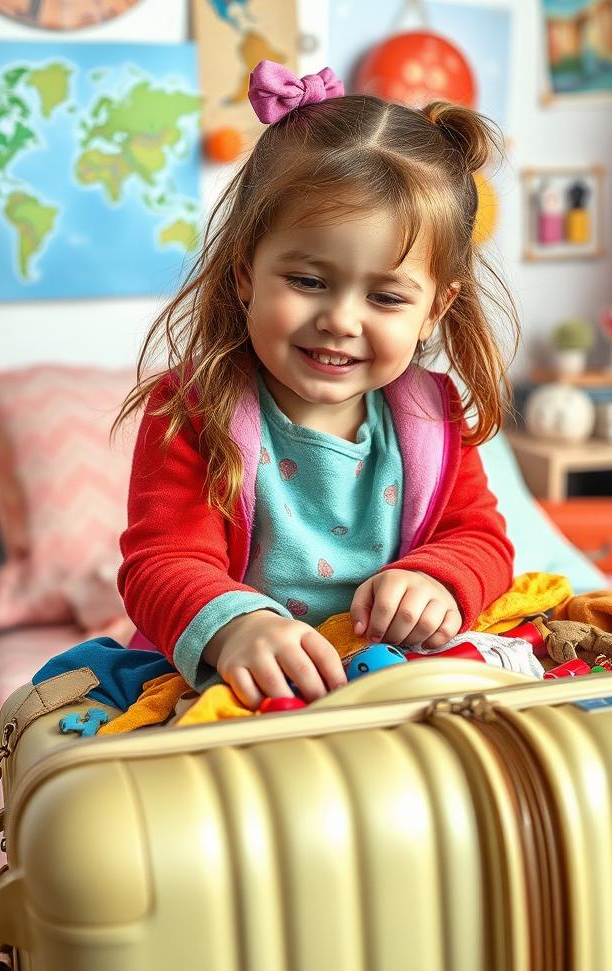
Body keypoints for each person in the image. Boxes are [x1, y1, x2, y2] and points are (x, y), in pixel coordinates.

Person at [115, 60, 517, 710]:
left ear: (434, 311)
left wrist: (437, 580)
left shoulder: (430, 418)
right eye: (307, 282)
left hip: (385, 692)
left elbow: (482, 541)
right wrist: (237, 628)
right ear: (246, 273)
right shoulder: (193, 409)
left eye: (386, 296)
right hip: (234, 690)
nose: (340, 321)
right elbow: (160, 563)